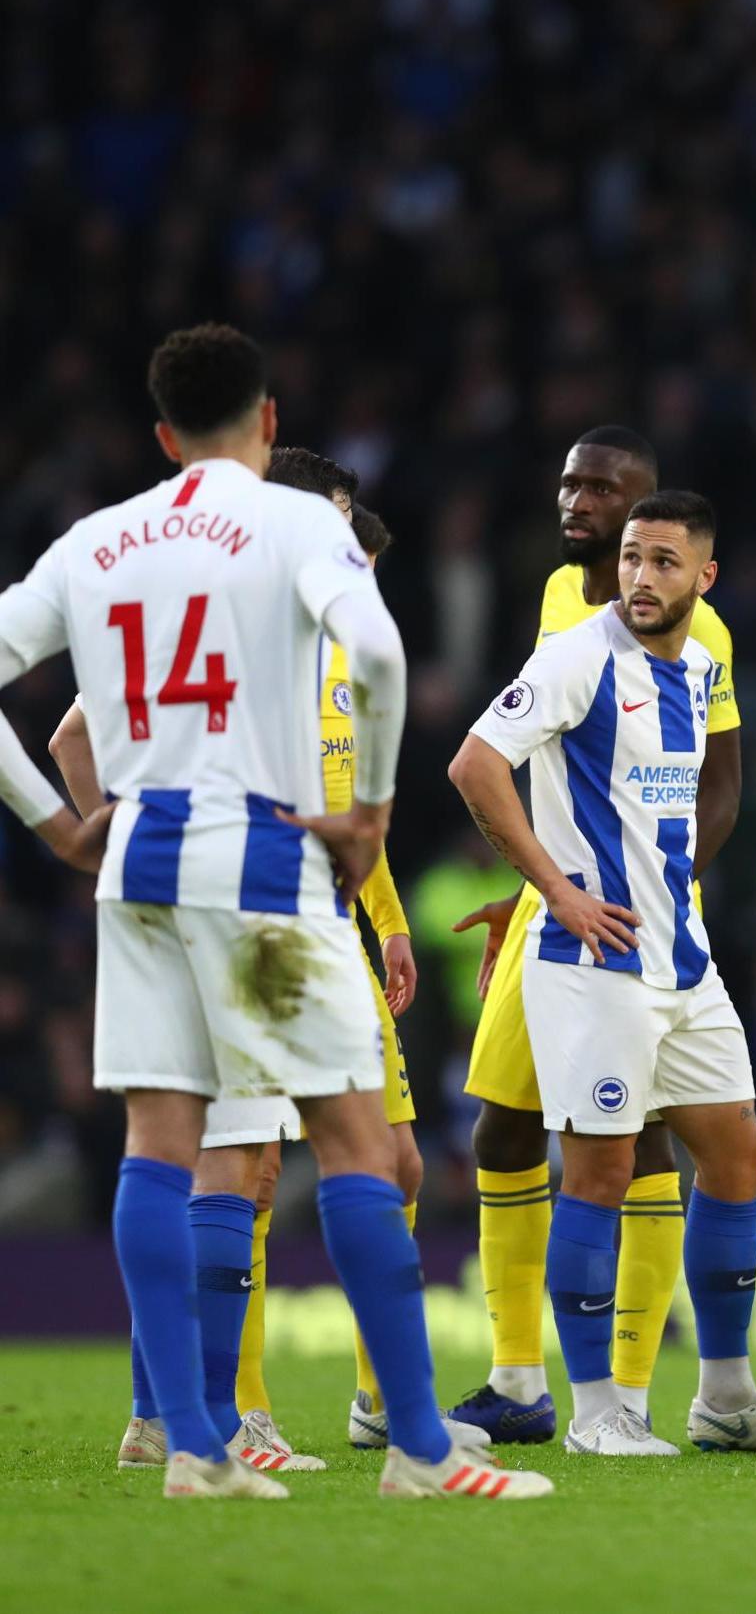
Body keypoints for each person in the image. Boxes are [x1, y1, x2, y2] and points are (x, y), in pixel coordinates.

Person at [0, 323, 544, 1499]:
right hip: (260, 855)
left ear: (159, 434)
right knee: (357, 1142)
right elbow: (382, 657)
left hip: (136, 863)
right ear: (268, 422)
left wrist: (54, 825)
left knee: (160, 1145)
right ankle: (415, 1443)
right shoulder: (295, 519)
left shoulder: (97, 541)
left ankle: (189, 1442)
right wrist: (372, 813)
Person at [57, 458, 462, 1470]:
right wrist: (104, 835)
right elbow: (73, 729)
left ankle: (298, 1411)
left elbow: (352, 809)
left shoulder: (316, 640)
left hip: (326, 924)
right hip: (245, 913)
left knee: (380, 1156)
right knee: (237, 1156)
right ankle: (226, 1415)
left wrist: (391, 918)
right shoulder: (226, 625)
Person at [448, 488, 756, 1457]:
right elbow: (475, 765)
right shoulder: (576, 657)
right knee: (603, 1168)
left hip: (682, 960)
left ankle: (727, 1399)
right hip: (592, 960)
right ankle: (599, 1411)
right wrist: (556, 890)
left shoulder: (699, 668)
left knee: (739, 1155)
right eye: (631, 557)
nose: (642, 577)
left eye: (664, 560)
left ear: (706, 575)